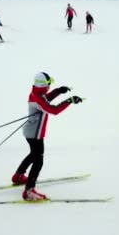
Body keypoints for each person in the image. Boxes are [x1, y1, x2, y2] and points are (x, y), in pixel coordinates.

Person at [11, 72, 83, 201]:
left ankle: (18, 176)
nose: (50, 86)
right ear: (44, 84)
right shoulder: (38, 97)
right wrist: (69, 101)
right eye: (49, 84)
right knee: (38, 160)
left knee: (34, 154)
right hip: (35, 134)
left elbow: (45, 99)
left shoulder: (36, 94)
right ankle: (29, 191)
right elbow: (53, 110)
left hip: (31, 132)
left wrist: (58, 91)